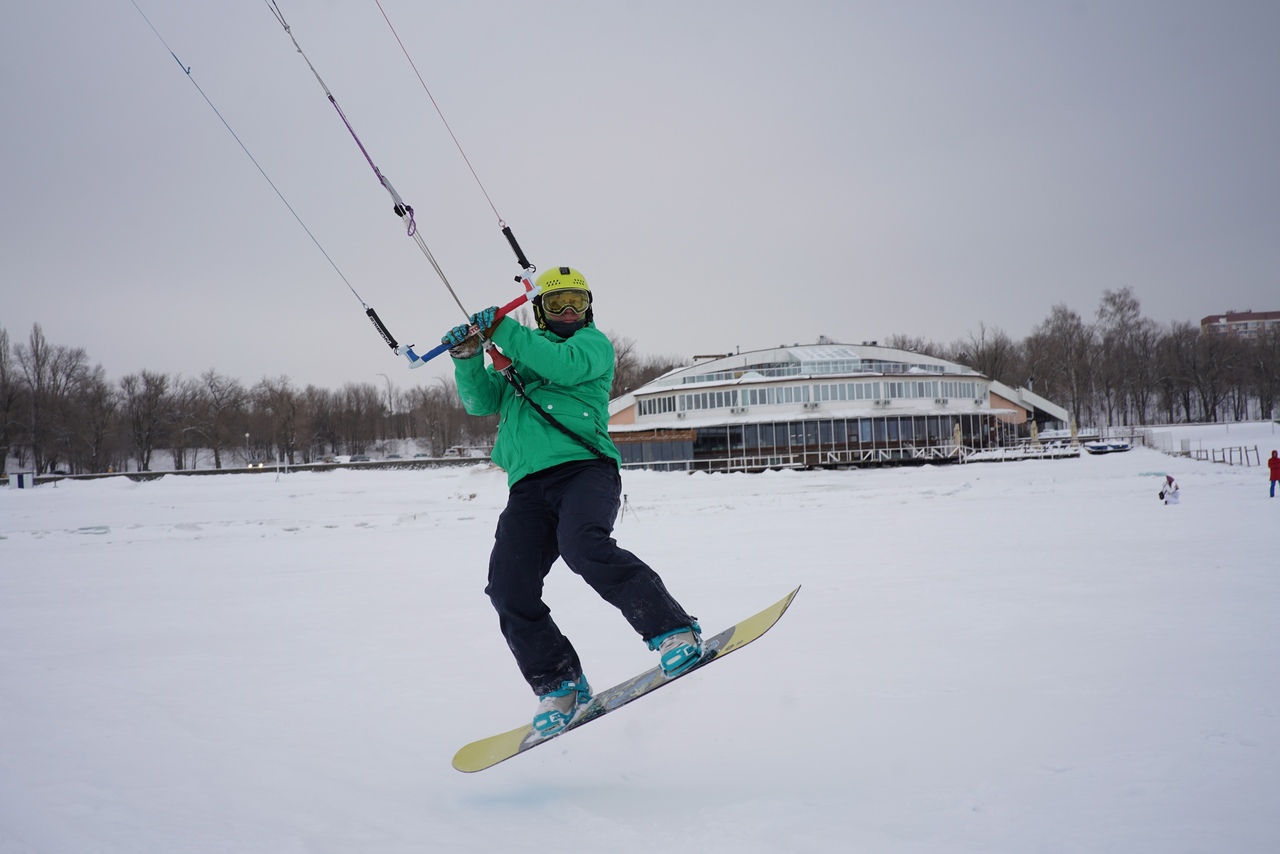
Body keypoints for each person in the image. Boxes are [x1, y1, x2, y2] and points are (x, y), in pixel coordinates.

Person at [441, 266, 701, 737]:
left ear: (588, 309)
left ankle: (673, 630)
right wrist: (467, 356)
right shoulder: (520, 359)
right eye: (557, 304)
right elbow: (481, 402)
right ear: (539, 310)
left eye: (576, 303)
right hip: (527, 487)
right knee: (507, 587)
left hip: (586, 471)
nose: (567, 311)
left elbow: (560, 366)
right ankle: (560, 683)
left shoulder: (592, 347)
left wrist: (502, 330)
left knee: (583, 546)